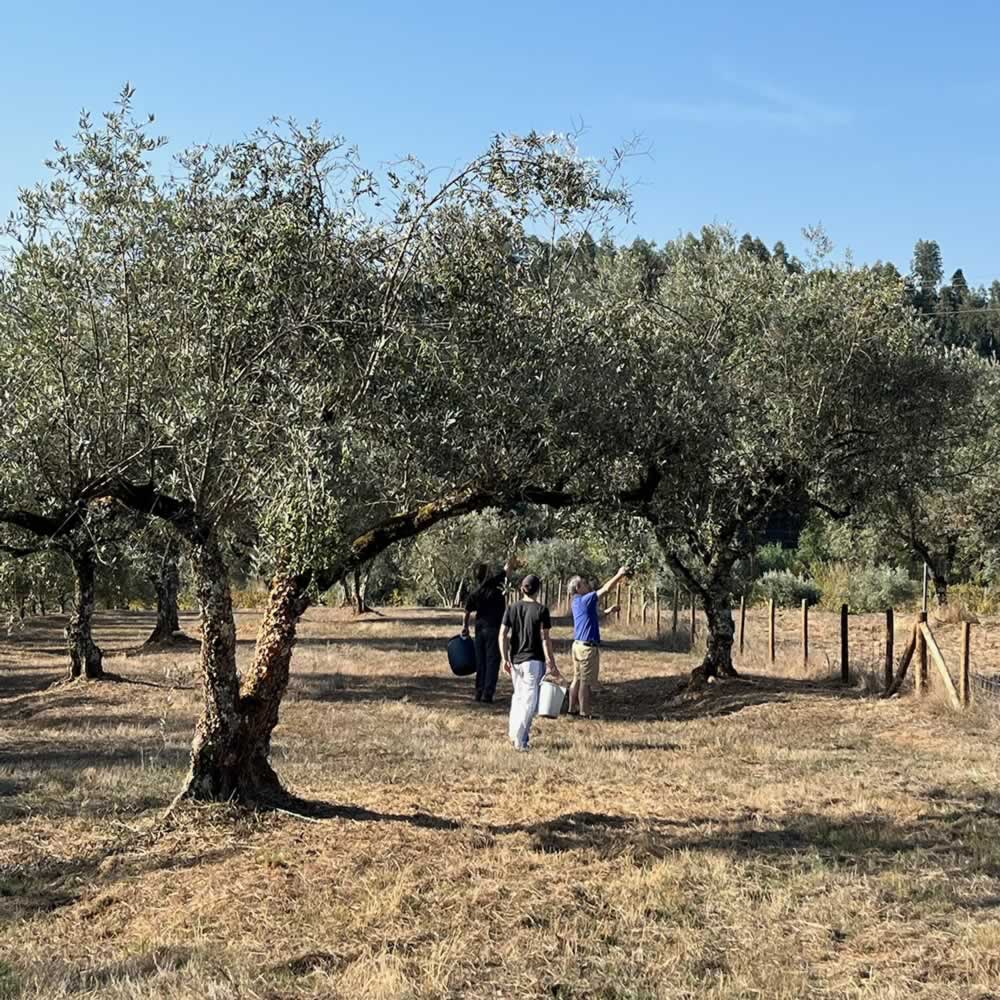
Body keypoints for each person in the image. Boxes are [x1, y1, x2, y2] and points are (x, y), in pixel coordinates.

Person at [500, 574, 562, 751]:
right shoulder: (541, 610)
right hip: (533, 661)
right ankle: (520, 739)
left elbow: (502, 634)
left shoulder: (512, 608)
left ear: (522, 588)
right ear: (538, 590)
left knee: (518, 697)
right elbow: (545, 639)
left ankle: (513, 733)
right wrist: (551, 662)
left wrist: (505, 658)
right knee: (530, 702)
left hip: (516, 660)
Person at [567, 565, 630, 718]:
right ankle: (584, 712)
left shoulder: (575, 601)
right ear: (578, 587)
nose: (588, 585)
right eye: (585, 583)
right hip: (587, 648)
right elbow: (606, 589)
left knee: (577, 678)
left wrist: (609, 611)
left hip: (577, 645)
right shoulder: (586, 599)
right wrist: (619, 574)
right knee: (585, 682)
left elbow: (596, 614)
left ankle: (571, 709)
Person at [462, 556, 514, 702]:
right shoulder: (496, 584)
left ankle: (479, 692)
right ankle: (487, 693)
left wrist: (465, 627)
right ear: (488, 574)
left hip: (480, 630)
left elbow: (466, 612)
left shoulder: (476, 593)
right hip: (494, 629)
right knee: (492, 661)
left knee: (481, 661)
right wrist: (510, 557)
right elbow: (507, 570)